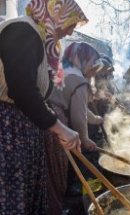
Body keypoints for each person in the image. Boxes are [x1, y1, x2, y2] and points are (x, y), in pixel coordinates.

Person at [0, 0, 88, 214]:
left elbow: (36, 95)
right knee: (3, 202)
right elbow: (22, 90)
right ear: (57, 14)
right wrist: (61, 128)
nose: (70, 32)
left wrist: (53, 124)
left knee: (19, 200)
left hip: (14, 130)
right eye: (71, 23)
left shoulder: (38, 38)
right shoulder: (22, 30)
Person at [47, 42, 104, 214]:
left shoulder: (63, 72)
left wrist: (95, 119)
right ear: (82, 60)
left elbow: (78, 106)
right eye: (92, 65)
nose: (94, 71)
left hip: (48, 122)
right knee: (60, 174)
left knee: (49, 175)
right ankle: (64, 206)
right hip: (59, 128)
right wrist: (85, 139)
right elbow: (78, 116)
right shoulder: (79, 81)